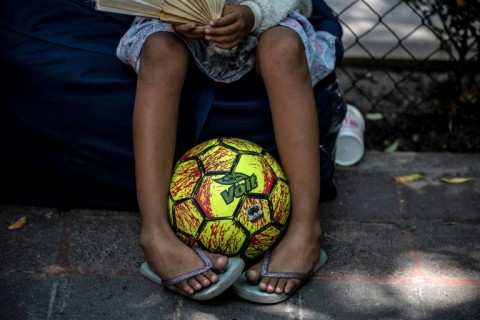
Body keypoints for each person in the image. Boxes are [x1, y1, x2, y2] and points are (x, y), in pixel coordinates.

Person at [116, 0, 340, 303]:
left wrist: (253, 14)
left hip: (265, 22)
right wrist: (172, 12)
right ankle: (155, 233)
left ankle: (305, 230)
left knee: (284, 49)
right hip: (176, 32)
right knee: (160, 52)